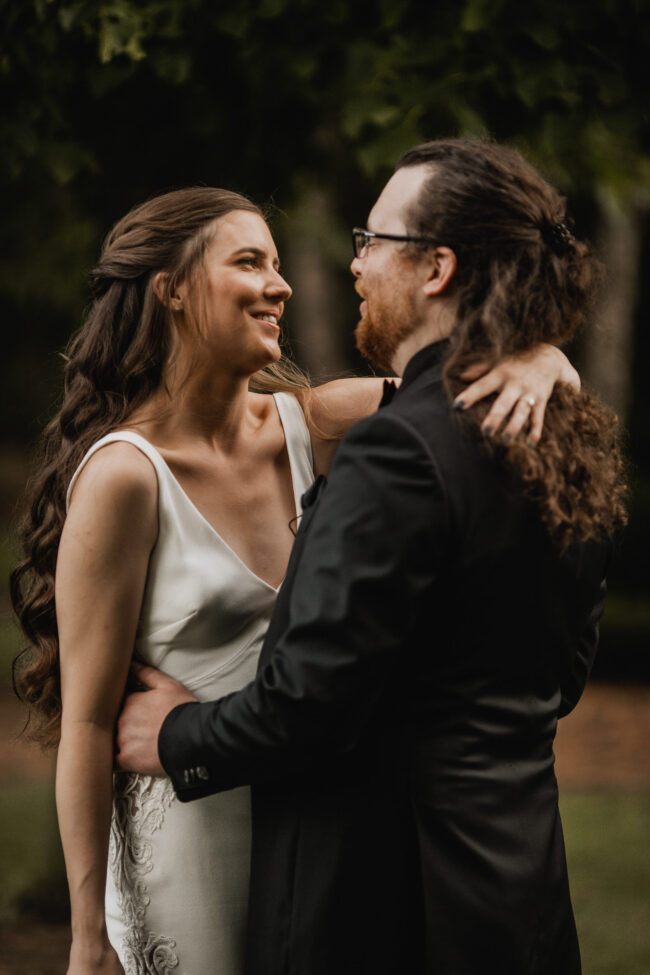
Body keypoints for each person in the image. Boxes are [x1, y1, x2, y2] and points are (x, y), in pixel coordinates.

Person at [12, 184, 577, 975]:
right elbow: (86, 724)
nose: (279, 284)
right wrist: (84, 937)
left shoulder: (316, 423)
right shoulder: (124, 478)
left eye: (279, 264)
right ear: (170, 288)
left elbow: (448, 387)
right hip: (189, 840)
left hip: (316, 833)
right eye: (250, 262)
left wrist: (543, 356)